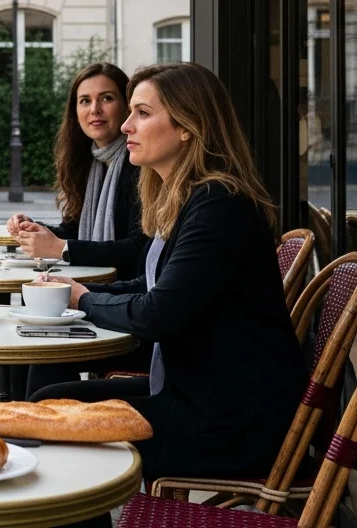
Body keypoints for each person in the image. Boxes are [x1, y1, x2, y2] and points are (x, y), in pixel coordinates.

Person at [32, 62, 306, 488]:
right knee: (50, 404)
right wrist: (80, 291)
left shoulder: (220, 205)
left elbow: (157, 314)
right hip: (199, 395)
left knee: (54, 422)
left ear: (187, 128)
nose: (125, 126)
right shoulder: (196, 197)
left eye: (142, 113)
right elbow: (154, 286)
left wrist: (83, 299)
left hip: (232, 423)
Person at [7, 63, 148, 280]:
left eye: (107, 98)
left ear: (127, 106)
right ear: (75, 111)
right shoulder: (88, 163)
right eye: (85, 101)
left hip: (125, 291)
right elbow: (74, 230)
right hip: (96, 285)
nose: (95, 109)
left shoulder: (141, 164)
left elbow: (138, 247)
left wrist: (62, 248)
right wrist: (34, 228)